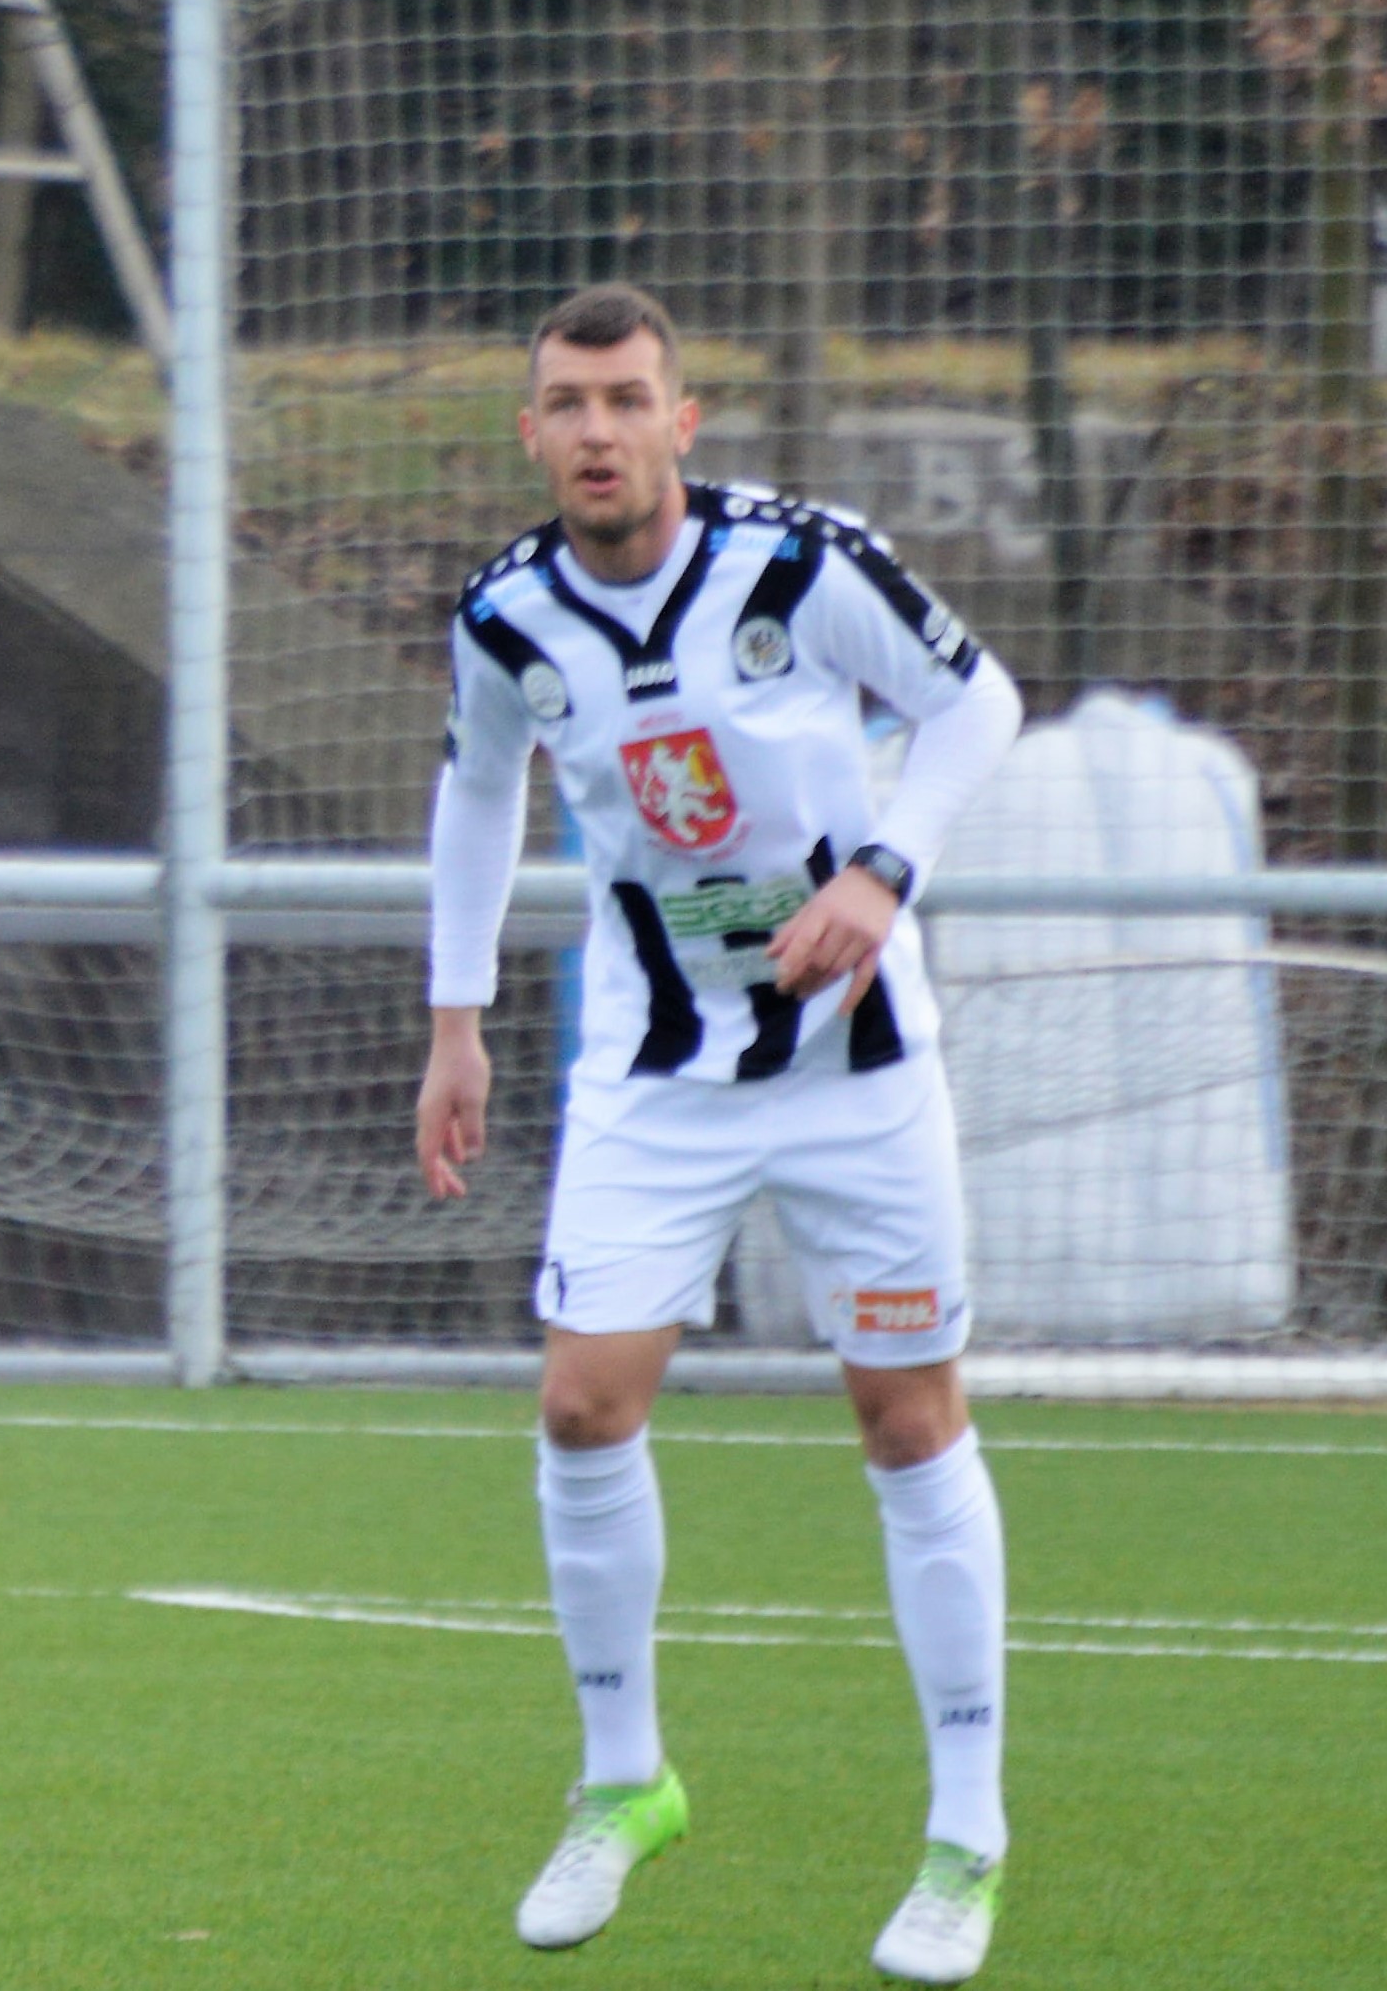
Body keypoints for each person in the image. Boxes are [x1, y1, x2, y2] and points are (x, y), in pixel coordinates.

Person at [418, 283, 1026, 1987]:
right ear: (531, 432)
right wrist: (456, 1017)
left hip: (859, 1063)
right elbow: (478, 788)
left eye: (628, 398)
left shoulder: (799, 563)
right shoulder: (506, 616)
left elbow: (978, 704)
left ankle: (965, 1836)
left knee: (907, 1420)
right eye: (567, 402)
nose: (597, 429)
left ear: (681, 421)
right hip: (655, 1069)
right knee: (579, 1402)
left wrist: (881, 870)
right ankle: (626, 1783)